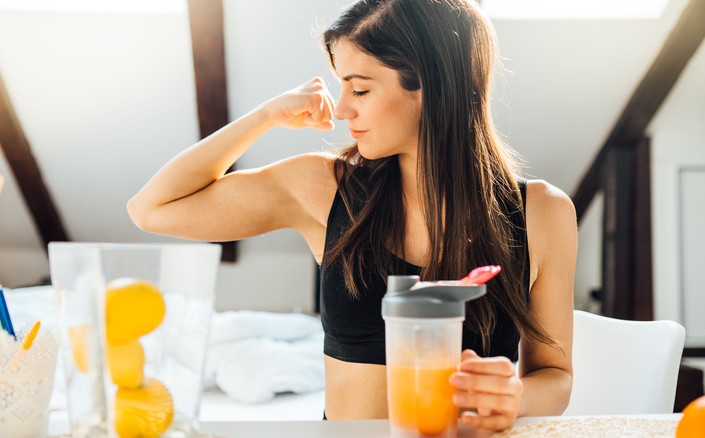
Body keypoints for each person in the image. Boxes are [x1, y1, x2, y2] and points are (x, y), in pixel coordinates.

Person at [127, 0, 576, 430]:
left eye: (359, 88)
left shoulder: (542, 213)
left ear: (433, 86)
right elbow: (153, 208)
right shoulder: (322, 189)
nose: (341, 109)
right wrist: (266, 116)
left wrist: (515, 398)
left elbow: (555, 374)